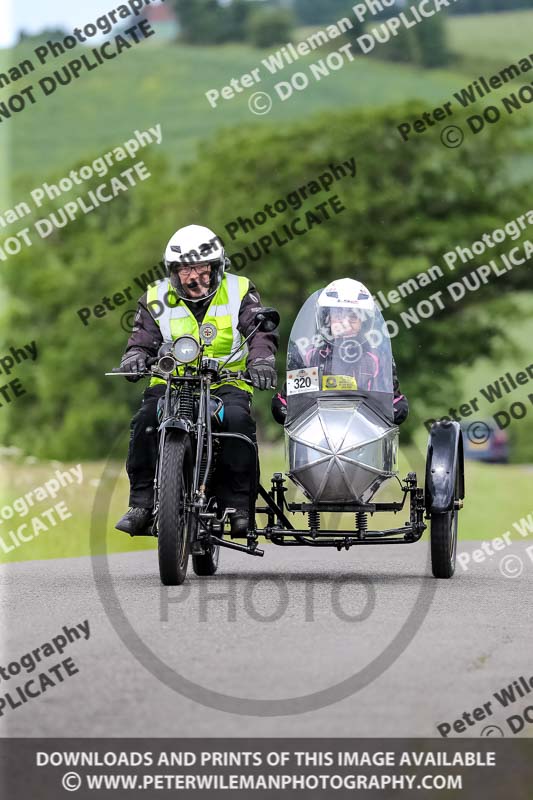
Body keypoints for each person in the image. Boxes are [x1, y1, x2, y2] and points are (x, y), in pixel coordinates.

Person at [115, 224, 278, 537]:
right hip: (172, 382)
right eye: (185, 269)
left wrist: (262, 361)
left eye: (201, 267)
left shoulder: (239, 290)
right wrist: (134, 358)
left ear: (216, 267)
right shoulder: (156, 296)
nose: (193, 276)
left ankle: (238, 508)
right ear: (173, 271)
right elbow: (141, 339)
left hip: (227, 381)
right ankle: (141, 503)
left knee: (236, 421)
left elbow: (260, 329)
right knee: (146, 419)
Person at [272, 278, 408, 424]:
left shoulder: (377, 357)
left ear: (364, 321)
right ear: (326, 319)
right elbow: (287, 402)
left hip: (365, 432)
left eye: (353, 317)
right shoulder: (310, 356)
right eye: (338, 316)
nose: (345, 323)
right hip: (317, 433)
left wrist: (395, 409)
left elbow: (396, 402)